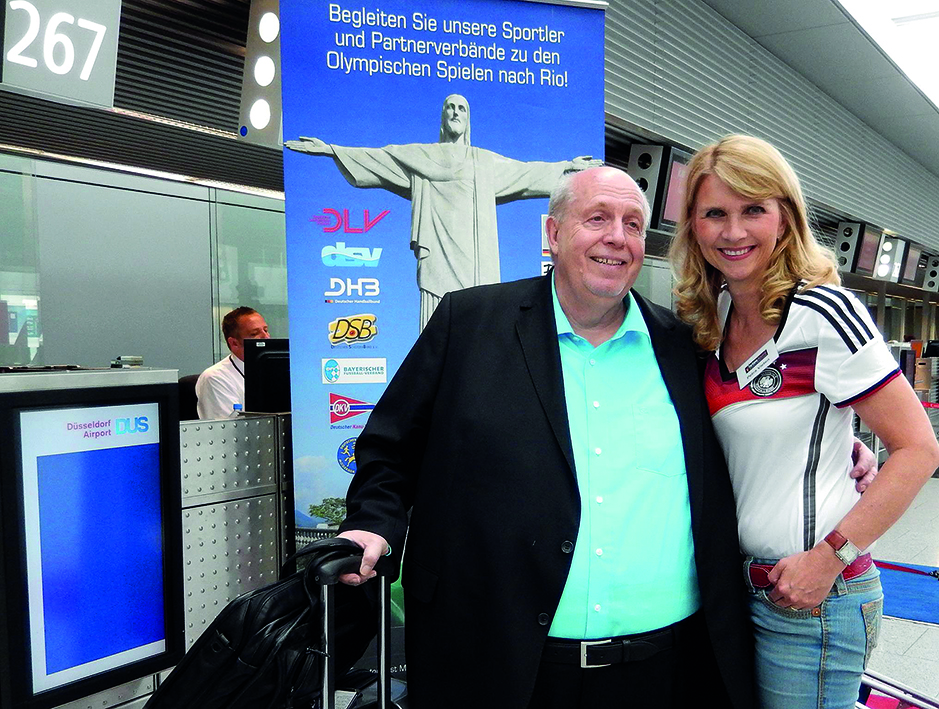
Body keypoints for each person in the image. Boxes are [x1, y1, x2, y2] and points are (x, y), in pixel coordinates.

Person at [336, 165, 755, 709]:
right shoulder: (469, 323)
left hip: (662, 669)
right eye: (597, 218)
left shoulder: (681, 346)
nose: (617, 238)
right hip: (497, 661)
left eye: (632, 224)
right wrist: (373, 522)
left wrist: (842, 451)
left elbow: (741, 435)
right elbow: (391, 447)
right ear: (553, 234)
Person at [668, 134, 939, 709]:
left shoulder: (822, 313)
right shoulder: (712, 318)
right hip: (734, 588)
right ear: (692, 225)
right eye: (714, 213)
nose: (733, 231)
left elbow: (918, 449)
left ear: (785, 217)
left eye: (753, 210)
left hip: (812, 598)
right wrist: (843, 445)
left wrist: (827, 560)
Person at [285, 94, 601, 330]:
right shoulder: (420, 158)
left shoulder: (482, 162)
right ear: (442, 117)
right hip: (437, 255)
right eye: (450, 107)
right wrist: (331, 150)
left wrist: (566, 167)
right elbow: (380, 159)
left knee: (477, 326)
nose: (455, 113)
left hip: (475, 260)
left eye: (461, 109)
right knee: (437, 328)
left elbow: (527, 173)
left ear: (468, 119)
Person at [195, 306, 270, 419]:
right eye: (254, 334)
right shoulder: (215, 378)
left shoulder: (276, 370)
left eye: (266, 330)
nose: (266, 337)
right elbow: (229, 427)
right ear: (234, 343)